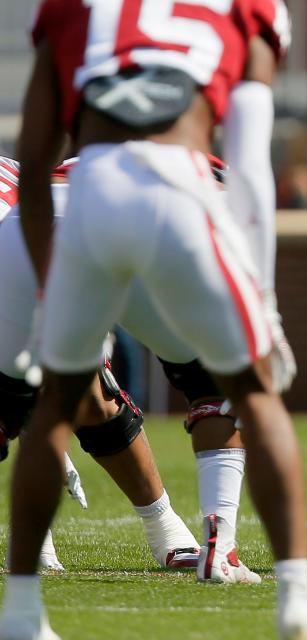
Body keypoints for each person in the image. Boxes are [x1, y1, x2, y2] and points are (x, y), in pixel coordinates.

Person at [0, 1, 307, 639]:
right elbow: (250, 164)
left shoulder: (71, 9)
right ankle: (294, 594)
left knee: (53, 410)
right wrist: (262, 299)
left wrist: (53, 289)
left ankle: (21, 610)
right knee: (253, 396)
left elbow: (34, 152)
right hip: (184, 190)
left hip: (88, 194)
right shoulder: (250, 9)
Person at [1, 155, 262, 583]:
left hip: (32, 229)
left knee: (78, 396)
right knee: (212, 381)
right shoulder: (186, 154)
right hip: (135, 223)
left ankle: (161, 527)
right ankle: (222, 550)